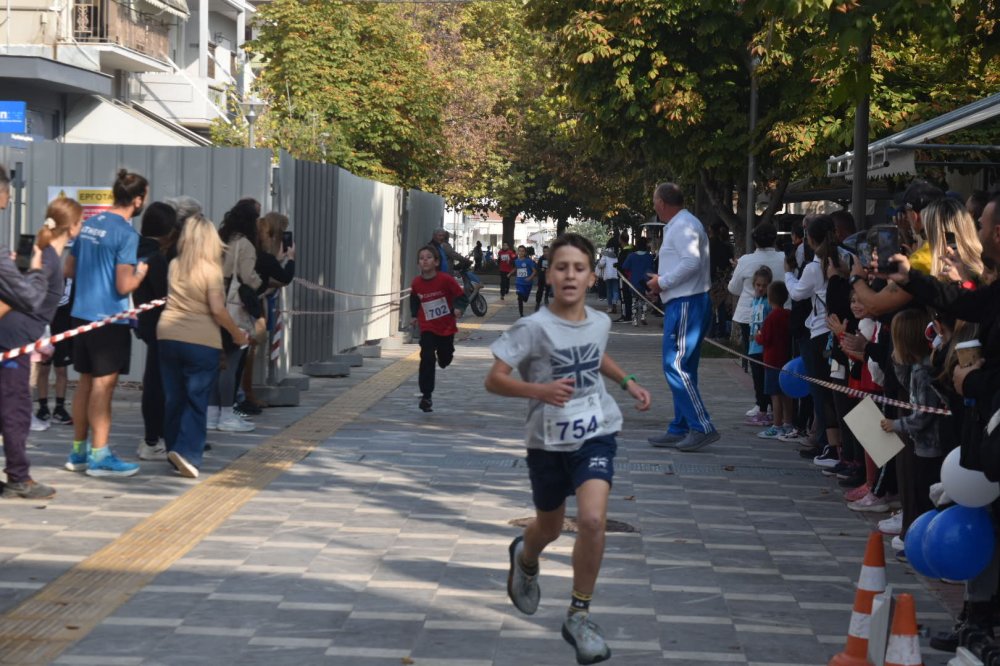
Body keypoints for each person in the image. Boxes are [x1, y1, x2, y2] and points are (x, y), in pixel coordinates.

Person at [485, 232, 651, 666]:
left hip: (597, 429)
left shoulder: (599, 321)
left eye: (579, 268)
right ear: (549, 274)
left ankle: (579, 614)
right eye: (562, 267)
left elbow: (594, 355)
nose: (571, 275)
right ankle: (526, 554)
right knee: (551, 527)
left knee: (593, 519)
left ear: (592, 276)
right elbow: (494, 378)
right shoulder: (533, 328)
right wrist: (537, 389)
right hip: (547, 441)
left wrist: (627, 382)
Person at [64, 169, 149, 478]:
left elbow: (69, 269)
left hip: (81, 315)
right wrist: (141, 272)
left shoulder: (90, 224)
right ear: (138, 200)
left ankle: (79, 452)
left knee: (85, 383)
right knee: (103, 387)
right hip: (109, 319)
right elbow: (124, 286)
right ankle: (100, 456)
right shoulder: (127, 234)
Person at [157, 214, 251, 478]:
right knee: (196, 399)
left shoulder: (175, 264)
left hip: (167, 335)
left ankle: (173, 449)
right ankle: (189, 455)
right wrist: (236, 334)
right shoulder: (211, 269)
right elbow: (218, 310)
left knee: (174, 397)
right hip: (199, 340)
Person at [1, 198, 82, 499]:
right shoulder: (45, 258)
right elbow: (24, 298)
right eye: (80, 222)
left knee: (10, 406)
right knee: (16, 408)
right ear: (72, 228)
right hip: (13, 342)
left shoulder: (44, 253)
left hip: (16, 338)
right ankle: (19, 478)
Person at [645, 183, 718, 451]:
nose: (653, 205)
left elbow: (691, 262)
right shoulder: (681, 225)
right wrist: (661, 285)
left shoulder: (684, 225)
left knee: (675, 364)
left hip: (687, 303)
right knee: (683, 366)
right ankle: (682, 425)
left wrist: (663, 283)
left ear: (662, 202)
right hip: (683, 301)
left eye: (654, 200)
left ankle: (701, 426)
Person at [784, 215, 842, 469]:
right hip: (839, 329)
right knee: (837, 391)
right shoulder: (845, 258)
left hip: (820, 331)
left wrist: (787, 275)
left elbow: (798, 293)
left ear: (809, 239)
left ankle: (827, 442)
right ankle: (838, 445)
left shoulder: (813, 267)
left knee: (821, 392)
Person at [132, 202, 182, 461]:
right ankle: (153, 439)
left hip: (144, 322)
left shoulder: (135, 249)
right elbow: (167, 294)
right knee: (157, 383)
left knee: (154, 380)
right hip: (161, 326)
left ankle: (156, 436)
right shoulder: (155, 257)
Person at [209, 199, 264, 433]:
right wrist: (261, 284)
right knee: (231, 364)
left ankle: (211, 415)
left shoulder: (221, 238)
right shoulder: (245, 244)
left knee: (216, 363)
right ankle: (227, 414)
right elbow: (248, 276)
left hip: (213, 302)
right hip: (233, 309)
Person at [727, 222, 787, 421]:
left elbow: (733, 288)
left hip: (749, 317)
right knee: (776, 361)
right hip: (780, 314)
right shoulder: (783, 258)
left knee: (755, 361)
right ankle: (774, 403)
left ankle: (761, 403)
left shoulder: (745, 260)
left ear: (754, 241)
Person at [409, 245, 466, 413]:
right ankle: (426, 395)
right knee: (426, 356)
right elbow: (414, 300)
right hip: (427, 326)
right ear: (418, 263)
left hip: (446, 327)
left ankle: (445, 357)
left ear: (436, 262)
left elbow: (461, 297)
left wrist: (458, 308)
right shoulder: (416, 282)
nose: (425, 260)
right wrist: (413, 316)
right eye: (421, 258)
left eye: (428, 257)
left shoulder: (446, 280)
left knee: (445, 357)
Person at [755, 281, 793, 438]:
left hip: (771, 361)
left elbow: (765, 339)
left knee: (774, 394)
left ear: (769, 298)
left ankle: (776, 425)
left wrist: (758, 336)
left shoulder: (771, 318)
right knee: (786, 393)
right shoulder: (788, 315)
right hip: (786, 359)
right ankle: (788, 423)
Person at [745, 266, 773, 427]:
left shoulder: (768, 303)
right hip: (753, 346)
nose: (761, 288)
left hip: (763, 347)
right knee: (756, 378)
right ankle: (760, 405)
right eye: (758, 285)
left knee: (763, 379)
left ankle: (765, 408)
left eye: (764, 285)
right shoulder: (754, 301)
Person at [622, 237, 654, 326]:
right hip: (645, 282)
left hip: (634, 281)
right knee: (644, 299)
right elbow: (652, 269)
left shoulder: (631, 256)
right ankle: (643, 316)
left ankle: (634, 319)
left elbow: (625, 267)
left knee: (634, 300)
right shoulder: (649, 256)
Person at [513, 245, 537, 317]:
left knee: (525, 299)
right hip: (519, 282)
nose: (521, 252)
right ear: (517, 252)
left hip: (527, 283)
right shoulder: (516, 261)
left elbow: (534, 271)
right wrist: (510, 273)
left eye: (522, 251)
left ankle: (524, 297)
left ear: (525, 252)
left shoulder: (528, 261)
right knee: (519, 297)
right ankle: (521, 314)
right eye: (519, 251)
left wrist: (529, 278)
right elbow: (516, 269)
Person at [616, 232, 634, 322]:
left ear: (621, 240)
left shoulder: (624, 251)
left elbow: (623, 265)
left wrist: (617, 265)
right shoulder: (631, 250)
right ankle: (629, 314)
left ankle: (625, 315)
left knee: (624, 296)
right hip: (630, 276)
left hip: (623, 277)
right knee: (628, 296)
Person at [534, 246, 550, 311]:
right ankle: (538, 302)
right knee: (540, 290)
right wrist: (541, 269)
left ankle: (546, 297)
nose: (545, 253)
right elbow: (537, 267)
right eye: (544, 251)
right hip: (542, 277)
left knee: (548, 288)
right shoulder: (541, 258)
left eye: (547, 251)